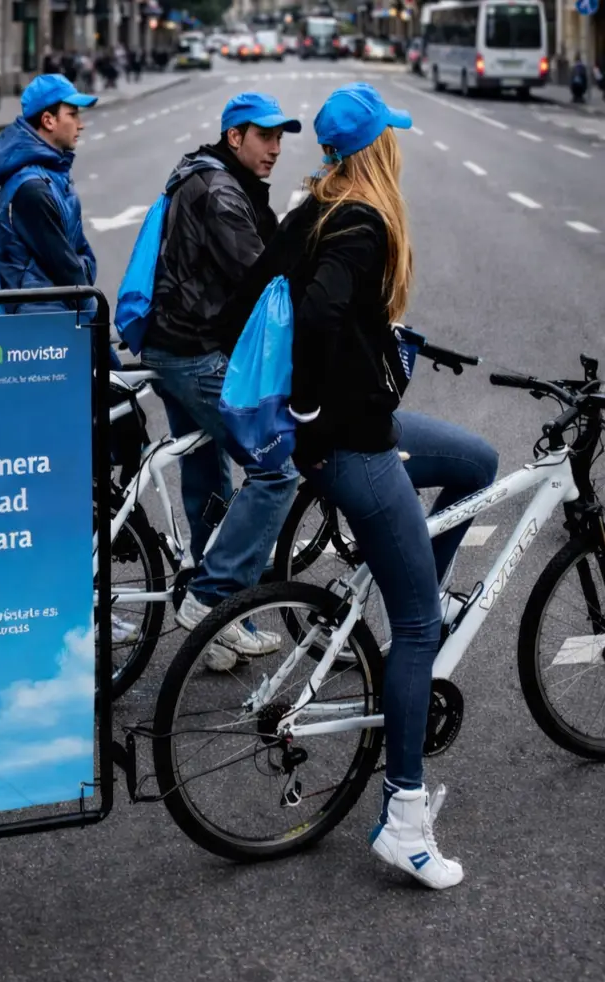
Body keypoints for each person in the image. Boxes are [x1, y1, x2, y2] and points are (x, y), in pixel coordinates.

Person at [257, 82, 498, 889]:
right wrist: (318, 404)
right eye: (391, 137)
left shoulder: (312, 208)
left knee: (476, 464)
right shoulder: (359, 221)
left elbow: (274, 293)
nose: (400, 146)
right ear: (373, 151)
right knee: (420, 630)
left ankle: (414, 584)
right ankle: (403, 818)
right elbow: (320, 314)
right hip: (353, 450)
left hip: (358, 436)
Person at [140, 93, 303, 671]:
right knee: (276, 470)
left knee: (210, 478)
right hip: (194, 353)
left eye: (281, 138)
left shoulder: (208, 175)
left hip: (174, 344)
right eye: (265, 137)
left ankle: (220, 630)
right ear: (235, 137)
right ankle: (209, 598)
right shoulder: (221, 193)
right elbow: (263, 279)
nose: (276, 149)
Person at [0, 74, 101, 321]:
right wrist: (84, 268)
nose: (80, 125)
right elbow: (73, 276)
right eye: (72, 114)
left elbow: (81, 260)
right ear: (48, 120)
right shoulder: (32, 189)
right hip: (42, 328)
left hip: (58, 313)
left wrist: (84, 267)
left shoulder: (53, 176)